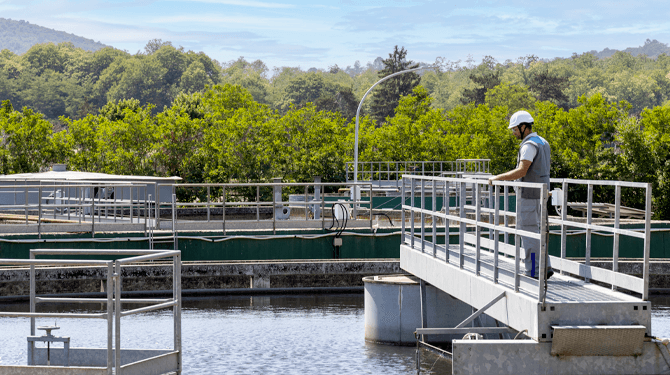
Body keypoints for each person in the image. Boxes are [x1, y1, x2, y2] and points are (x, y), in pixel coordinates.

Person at [488, 110, 552, 280]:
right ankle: (545, 267)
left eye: (515, 129)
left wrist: (497, 178)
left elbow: (522, 170)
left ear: (524, 127)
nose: (514, 133)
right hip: (541, 196)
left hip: (529, 198)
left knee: (529, 235)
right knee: (539, 233)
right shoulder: (543, 142)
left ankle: (534, 272)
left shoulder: (529, 145)